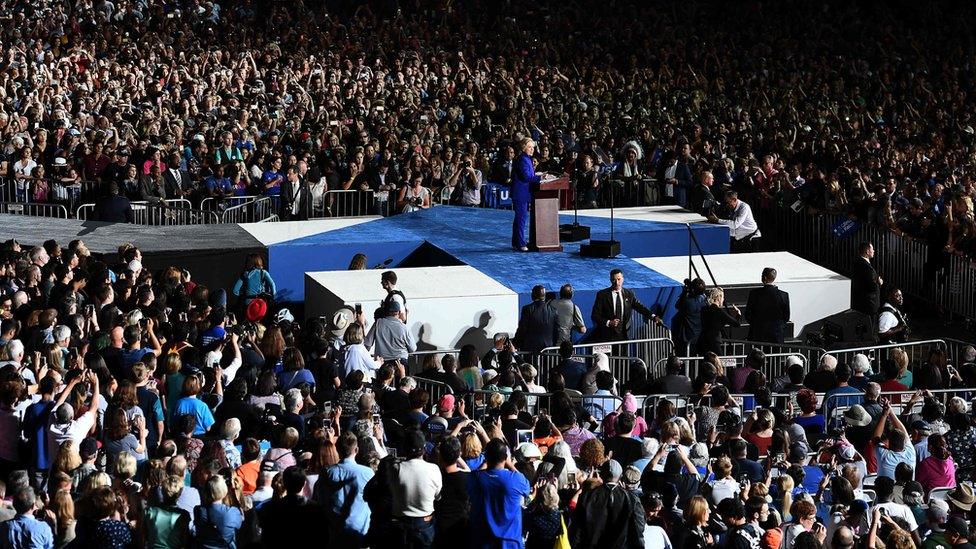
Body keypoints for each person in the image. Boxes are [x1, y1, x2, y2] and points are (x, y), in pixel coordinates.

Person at [467, 438, 532, 548]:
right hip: (511, 543)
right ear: (505, 458)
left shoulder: (475, 478)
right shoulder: (516, 479)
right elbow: (527, 487)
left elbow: (474, 475)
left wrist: (486, 461)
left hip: (483, 541)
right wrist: (510, 464)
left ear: (486, 457)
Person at [317, 432, 375, 547]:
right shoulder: (367, 473)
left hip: (335, 534)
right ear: (356, 450)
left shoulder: (326, 473)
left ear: (337, 450)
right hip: (360, 533)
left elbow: (321, 500)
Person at [570, 459, 643, 549]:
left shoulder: (588, 496)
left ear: (601, 475)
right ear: (621, 476)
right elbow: (638, 531)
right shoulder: (631, 499)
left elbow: (577, 528)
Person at [390, 431, 442, 548]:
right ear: (424, 449)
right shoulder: (434, 469)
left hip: (401, 523)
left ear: (404, 448)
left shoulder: (395, 468)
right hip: (425, 523)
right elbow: (438, 496)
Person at [590, 269, 662, 343]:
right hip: (607, 336)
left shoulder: (629, 293)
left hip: (624, 335)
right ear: (610, 280)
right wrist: (609, 322)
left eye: (619, 279)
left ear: (623, 279)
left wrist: (653, 317)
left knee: (623, 354)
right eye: (614, 280)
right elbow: (595, 315)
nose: (617, 282)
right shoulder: (602, 295)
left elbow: (640, 308)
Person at [510, 138, 543, 251]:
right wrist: (540, 177)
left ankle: (516, 242)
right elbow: (526, 177)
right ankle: (520, 243)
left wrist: (537, 175)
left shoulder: (526, 158)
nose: (532, 149)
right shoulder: (523, 159)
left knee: (519, 218)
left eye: (533, 147)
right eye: (529, 147)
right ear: (523, 147)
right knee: (521, 218)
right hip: (521, 193)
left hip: (522, 193)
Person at [744, 267, 791, 343]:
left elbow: (748, 314)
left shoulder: (754, 294)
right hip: (776, 336)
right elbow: (786, 317)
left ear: (764, 278)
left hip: (757, 335)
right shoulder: (783, 295)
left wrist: (756, 325)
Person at [513, 285, 557, 355]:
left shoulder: (527, 309)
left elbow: (522, 329)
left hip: (530, 350)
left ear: (533, 295)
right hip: (548, 350)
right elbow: (556, 331)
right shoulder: (553, 311)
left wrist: (514, 344)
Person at [697, 287, 741, 356]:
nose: (723, 300)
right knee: (718, 363)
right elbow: (736, 324)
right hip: (714, 343)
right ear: (719, 298)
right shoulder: (720, 312)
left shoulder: (704, 310)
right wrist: (738, 314)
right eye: (723, 297)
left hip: (702, 341)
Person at [851, 242, 883, 317]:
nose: (874, 251)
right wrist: (879, 282)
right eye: (872, 249)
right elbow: (872, 287)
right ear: (868, 252)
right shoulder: (867, 268)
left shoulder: (857, 263)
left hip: (859, 303)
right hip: (868, 306)